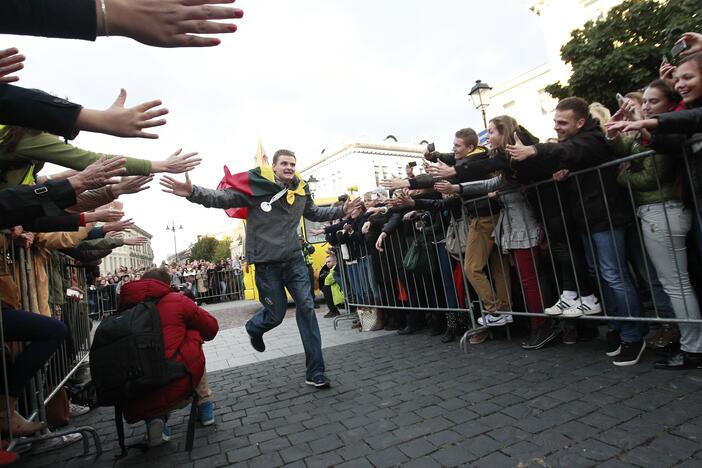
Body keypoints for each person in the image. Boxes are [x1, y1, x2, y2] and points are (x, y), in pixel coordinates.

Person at [160, 149, 359, 388]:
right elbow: (222, 198)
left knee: (306, 307)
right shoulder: (258, 188)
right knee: (275, 315)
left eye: (292, 164)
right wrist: (192, 192)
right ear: (273, 167)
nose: (288, 167)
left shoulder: (301, 189)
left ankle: (315, 371)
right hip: (267, 265)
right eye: (284, 163)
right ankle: (254, 328)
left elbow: (315, 213)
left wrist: (342, 211)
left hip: (294, 262)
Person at [508, 97, 645, 366]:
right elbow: (563, 157)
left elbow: (571, 151)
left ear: (580, 122)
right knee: (599, 275)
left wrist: (535, 150)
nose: (557, 127)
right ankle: (617, 328)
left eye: (562, 122)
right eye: (555, 122)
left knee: (614, 276)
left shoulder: (592, 139)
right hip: (587, 220)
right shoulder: (572, 145)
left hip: (606, 219)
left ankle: (633, 334)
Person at [611, 80, 702, 370]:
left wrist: (622, 176)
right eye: (645, 101)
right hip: (661, 212)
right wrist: (617, 131)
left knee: (676, 284)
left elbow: (652, 175)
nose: (647, 106)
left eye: (653, 102)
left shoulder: (666, 131)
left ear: (669, 105)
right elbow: (621, 146)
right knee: (678, 282)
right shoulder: (651, 133)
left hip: (664, 211)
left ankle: (693, 348)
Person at [118, 267, 218, 446]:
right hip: (178, 382)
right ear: (166, 284)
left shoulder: (125, 309)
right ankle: (205, 405)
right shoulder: (177, 300)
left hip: (138, 390)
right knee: (193, 342)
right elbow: (210, 328)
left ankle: (155, 421)